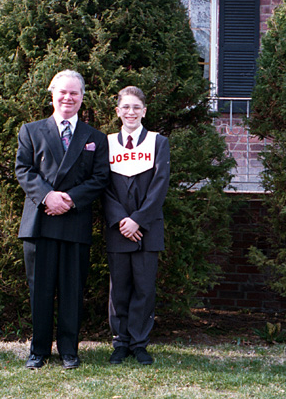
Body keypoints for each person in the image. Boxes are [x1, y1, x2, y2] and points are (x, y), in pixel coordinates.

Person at [15, 69, 110, 370]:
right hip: (40, 222)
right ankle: (39, 350)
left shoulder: (95, 137)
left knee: (71, 290)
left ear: (82, 98)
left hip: (74, 220)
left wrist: (68, 200)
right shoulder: (30, 131)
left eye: (75, 93)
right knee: (39, 289)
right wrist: (48, 197)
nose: (68, 98)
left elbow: (100, 178)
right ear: (52, 93)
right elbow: (23, 170)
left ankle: (69, 349)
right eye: (63, 92)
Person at [103, 86, 170, 365]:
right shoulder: (106, 143)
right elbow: (103, 187)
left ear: (144, 111)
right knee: (119, 288)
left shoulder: (158, 142)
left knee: (144, 287)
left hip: (148, 227)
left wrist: (138, 220)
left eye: (136, 107)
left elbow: (160, 185)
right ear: (118, 111)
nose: (131, 112)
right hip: (119, 228)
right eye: (125, 107)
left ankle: (140, 343)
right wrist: (122, 220)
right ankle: (121, 343)